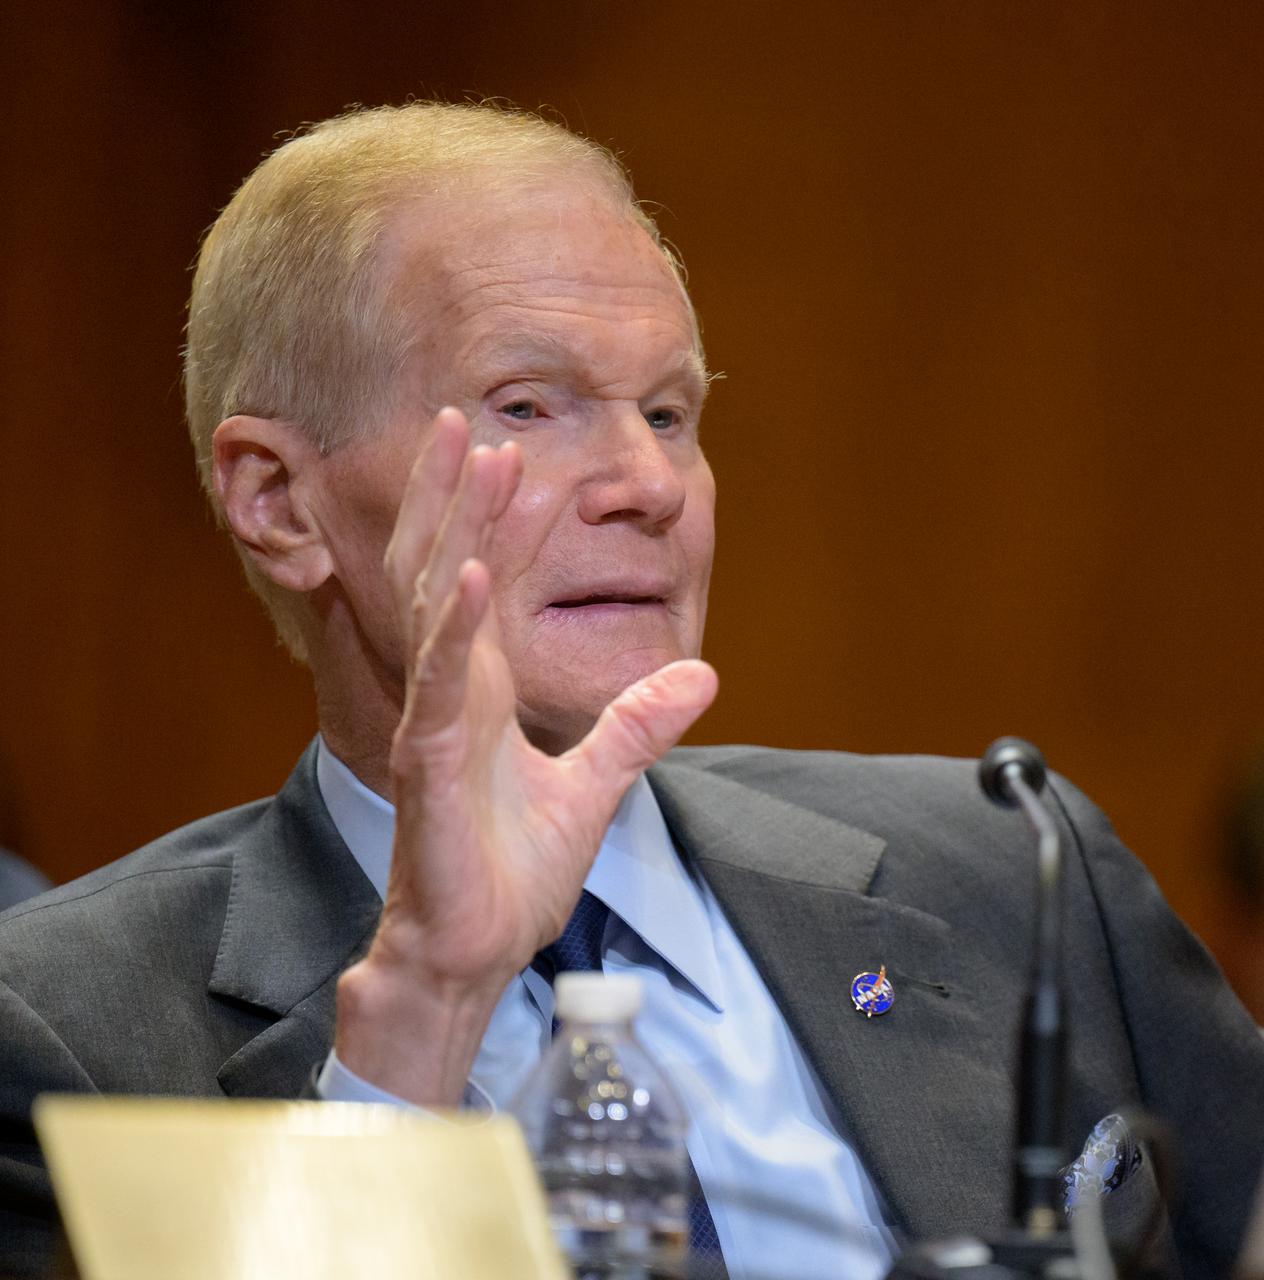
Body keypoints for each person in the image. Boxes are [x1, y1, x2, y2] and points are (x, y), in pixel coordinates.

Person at [0, 102, 1260, 1280]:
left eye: (668, 411)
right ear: (279, 500)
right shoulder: (64, 1033)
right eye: (528, 405)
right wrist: (424, 1020)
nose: (645, 482)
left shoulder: (1013, 869)